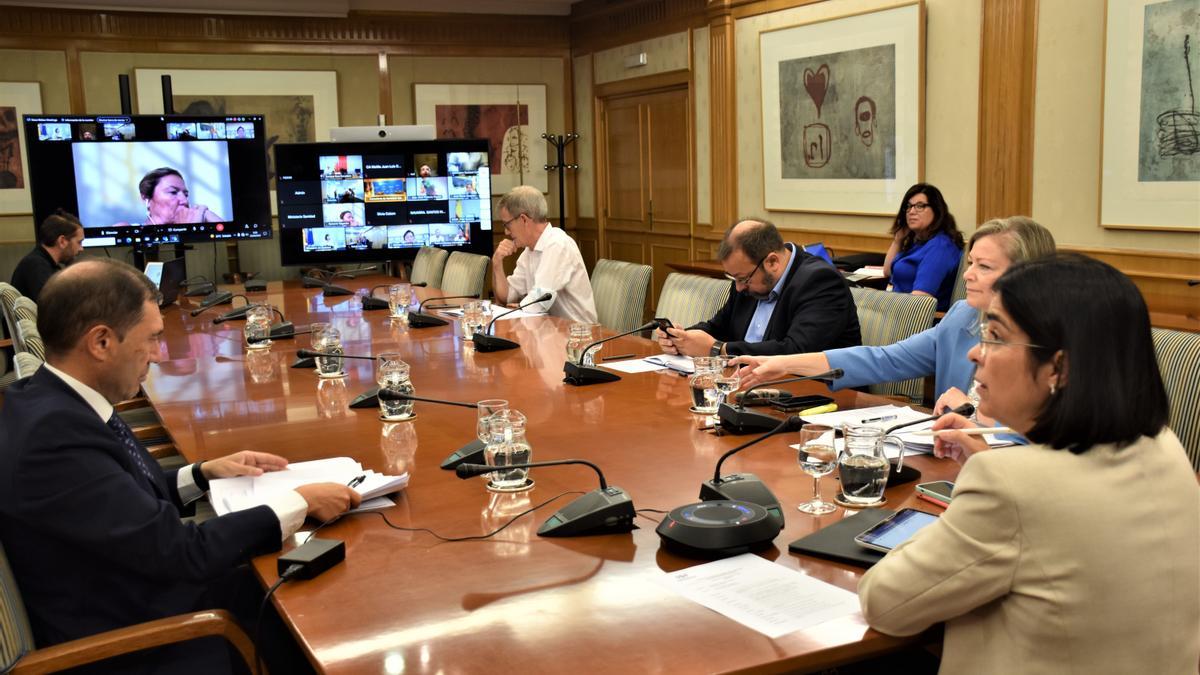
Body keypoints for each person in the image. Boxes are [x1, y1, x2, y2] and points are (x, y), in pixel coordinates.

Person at [0, 259, 363, 673]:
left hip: (134, 587)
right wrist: (298, 502)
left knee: (314, 586)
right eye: (151, 339)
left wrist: (203, 473)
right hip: (139, 640)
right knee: (322, 614)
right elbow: (183, 553)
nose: (157, 354)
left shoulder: (54, 398)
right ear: (101, 343)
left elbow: (120, 499)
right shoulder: (55, 439)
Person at [857, 254, 1199, 674]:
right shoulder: (1165, 446)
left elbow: (885, 603)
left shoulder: (1011, 482)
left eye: (996, 336)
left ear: (1060, 366)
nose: (975, 354)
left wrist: (984, 490)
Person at [733, 217, 1056, 407]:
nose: (968, 275)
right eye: (970, 263)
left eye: (984, 267)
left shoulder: (1049, 342)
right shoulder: (962, 317)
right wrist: (782, 364)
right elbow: (884, 359)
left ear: (1027, 273)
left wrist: (968, 414)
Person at [656, 219, 860, 357]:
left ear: (772, 262)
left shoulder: (820, 282)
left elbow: (796, 351)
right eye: (733, 278)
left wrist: (718, 349)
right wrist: (683, 338)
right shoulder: (749, 279)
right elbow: (719, 326)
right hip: (752, 386)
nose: (738, 288)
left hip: (818, 397)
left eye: (743, 279)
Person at [492, 185, 597, 324]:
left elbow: (539, 301)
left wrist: (521, 307)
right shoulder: (530, 250)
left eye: (507, 225)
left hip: (580, 336)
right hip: (549, 332)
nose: (506, 232)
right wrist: (497, 263)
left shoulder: (557, 244)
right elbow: (507, 296)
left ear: (523, 219)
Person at [884, 183, 964, 311]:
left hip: (917, 319)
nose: (911, 211)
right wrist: (898, 240)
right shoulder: (919, 241)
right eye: (908, 206)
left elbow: (920, 300)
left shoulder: (940, 247)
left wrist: (883, 304)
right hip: (898, 310)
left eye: (920, 206)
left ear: (936, 211)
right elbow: (888, 272)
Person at [10, 209, 85, 300]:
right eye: (79, 242)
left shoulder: (43, 264)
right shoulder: (36, 266)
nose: (81, 248)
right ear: (62, 241)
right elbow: (54, 308)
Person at [139, 167, 223, 225]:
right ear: (147, 198)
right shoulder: (127, 227)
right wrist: (186, 229)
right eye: (173, 192)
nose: (185, 201)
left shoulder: (198, 220)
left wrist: (205, 213)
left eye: (186, 195)